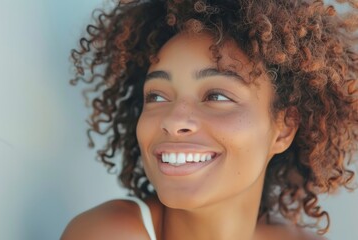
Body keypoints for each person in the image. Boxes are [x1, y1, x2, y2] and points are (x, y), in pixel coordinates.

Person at [61, 0, 358, 239]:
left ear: (283, 129)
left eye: (216, 96)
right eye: (157, 97)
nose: (174, 120)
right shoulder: (109, 233)